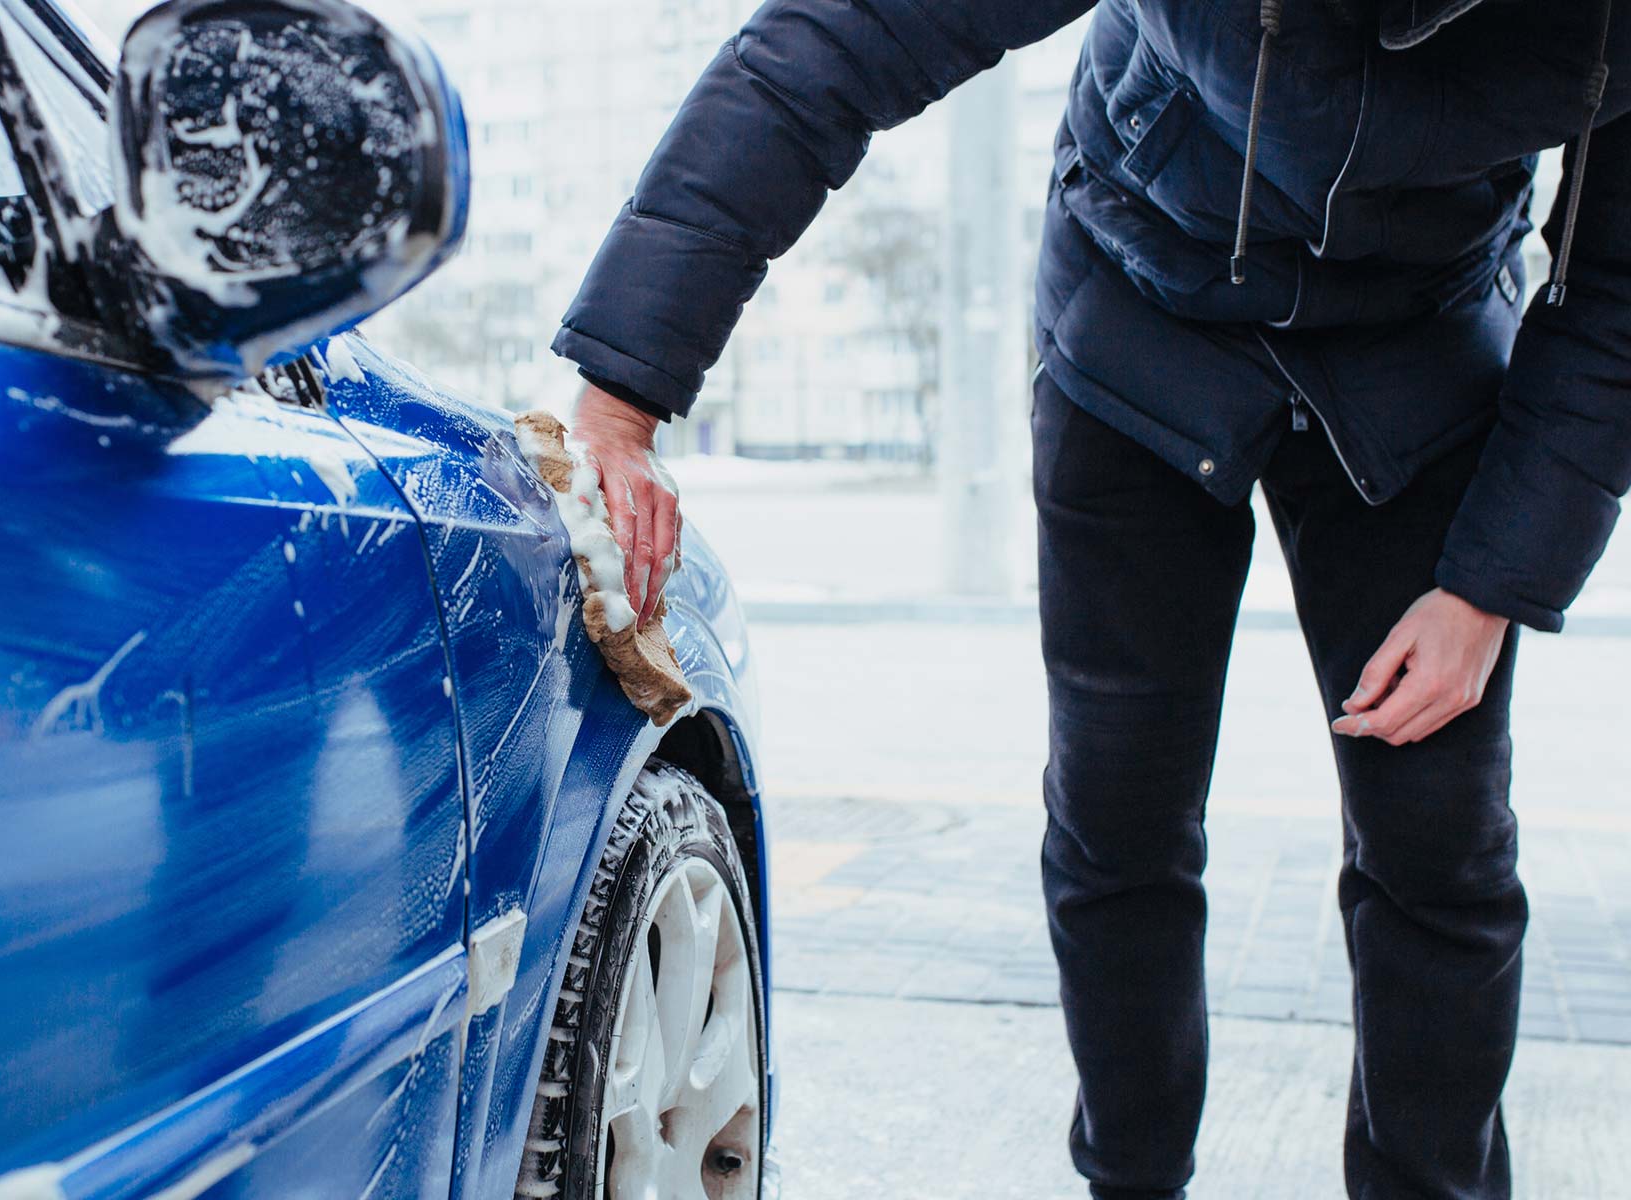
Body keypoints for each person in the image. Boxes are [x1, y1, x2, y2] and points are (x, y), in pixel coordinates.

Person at [550, 2, 1628, 1197]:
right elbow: (833, 49)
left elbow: (1617, 301)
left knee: (1441, 839)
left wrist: (1489, 588)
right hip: (1137, 305)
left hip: (1417, 352)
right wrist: (621, 393)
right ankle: (1129, 1180)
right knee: (1120, 816)